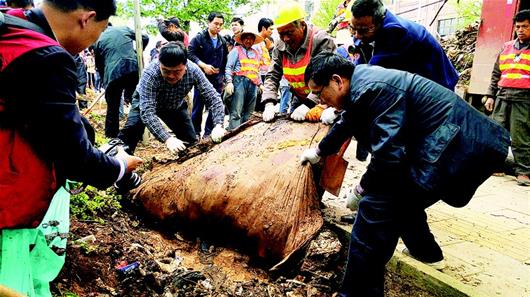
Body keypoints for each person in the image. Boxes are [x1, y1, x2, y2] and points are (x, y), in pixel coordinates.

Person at [299, 52, 510, 297]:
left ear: (337, 81)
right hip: (448, 141)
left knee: (375, 210)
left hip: (458, 144)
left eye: (319, 92)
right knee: (403, 197)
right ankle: (426, 253)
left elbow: (388, 156)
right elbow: (349, 121)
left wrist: (361, 189)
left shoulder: (373, 88)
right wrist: (319, 151)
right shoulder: (360, 85)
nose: (320, 101)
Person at [0, 0, 142, 294]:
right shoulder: (46, 57)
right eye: (100, 31)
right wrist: (117, 168)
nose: (96, 42)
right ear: (87, 19)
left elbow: (40, 117)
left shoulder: (10, 26)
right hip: (7, 203)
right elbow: (73, 156)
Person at [117, 42, 226, 154]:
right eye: (166, 71)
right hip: (145, 102)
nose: (171, 76)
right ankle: (121, 165)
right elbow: (147, 112)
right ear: (160, 64)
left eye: (177, 72)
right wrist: (167, 139)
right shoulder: (150, 73)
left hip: (174, 105)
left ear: (185, 66)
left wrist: (218, 124)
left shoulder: (194, 70)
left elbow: (214, 98)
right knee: (131, 132)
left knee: (190, 142)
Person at [349, 0, 458, 91]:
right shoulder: (364, 30)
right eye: (353, 28)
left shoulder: (396, 32)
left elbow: (373, 73)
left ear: (380, 21)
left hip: (438, 85)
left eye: (363, 30)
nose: (357, 35)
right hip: (415, 81)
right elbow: (359, 63)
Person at [261, 1, 336, 124]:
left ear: (302, 25)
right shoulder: (280, 46)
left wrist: (309, 104)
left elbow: (326, 76)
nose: (285, 39)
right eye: (281, 34)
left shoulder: (320, 40)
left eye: (289, 33)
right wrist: (269, 103)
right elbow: (272, 75)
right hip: (300, 98)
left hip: (325, 101)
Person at [484, 9, 530, 186]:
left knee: (521, 136)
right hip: (502, 96)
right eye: (518, 26)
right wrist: (490, 95)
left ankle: (524, 172)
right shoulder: (506, 47)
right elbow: (496, 73)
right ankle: (496, 166)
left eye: (525, 26)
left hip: (524, 99)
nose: (520, 30)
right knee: (497, 133)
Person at [93, 25, 149, 138]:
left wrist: (105, 82)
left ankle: (111, 136)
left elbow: (99, 66)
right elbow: (144, 37)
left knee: (112, 107)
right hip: (132, 67)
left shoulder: (97, 39)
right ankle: (136, 133)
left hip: (112, 73)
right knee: (137, 102)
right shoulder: (123, 29)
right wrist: (137, 51)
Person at [188, 12, 228, 139]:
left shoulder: (222, 41)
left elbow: (225, 60)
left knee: (215, 105)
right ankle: (195, 133)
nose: (218, 27)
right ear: (209, 22)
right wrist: (203, 65)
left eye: (221, 25)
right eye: (216, 23)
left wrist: (223, 77)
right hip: (201, 78)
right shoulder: (199, 38)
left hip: (217, 79)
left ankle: (208, 133)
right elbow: (190, 53)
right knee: (198, 107)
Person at [224, 30, 264, 130]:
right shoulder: (236, 50)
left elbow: (257, 70)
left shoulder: (256, 53)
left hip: (253, 85)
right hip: (239, 81)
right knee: (236, 111)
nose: (248, 40)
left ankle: (244, 135)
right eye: (246, 38)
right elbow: (229, 67)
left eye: (251, 38)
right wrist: (229, 82)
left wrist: (260, 84)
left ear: (254, 41)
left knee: (249, 112)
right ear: (242, 40)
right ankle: (233, 134)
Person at [254, 17, 274, 112]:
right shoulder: (256, 43)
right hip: (259, 77)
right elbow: (254, 62)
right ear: (263, 28)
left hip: (265, 75)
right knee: (258, 106)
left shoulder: (264, 42)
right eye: (270, 29)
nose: (272, 32)